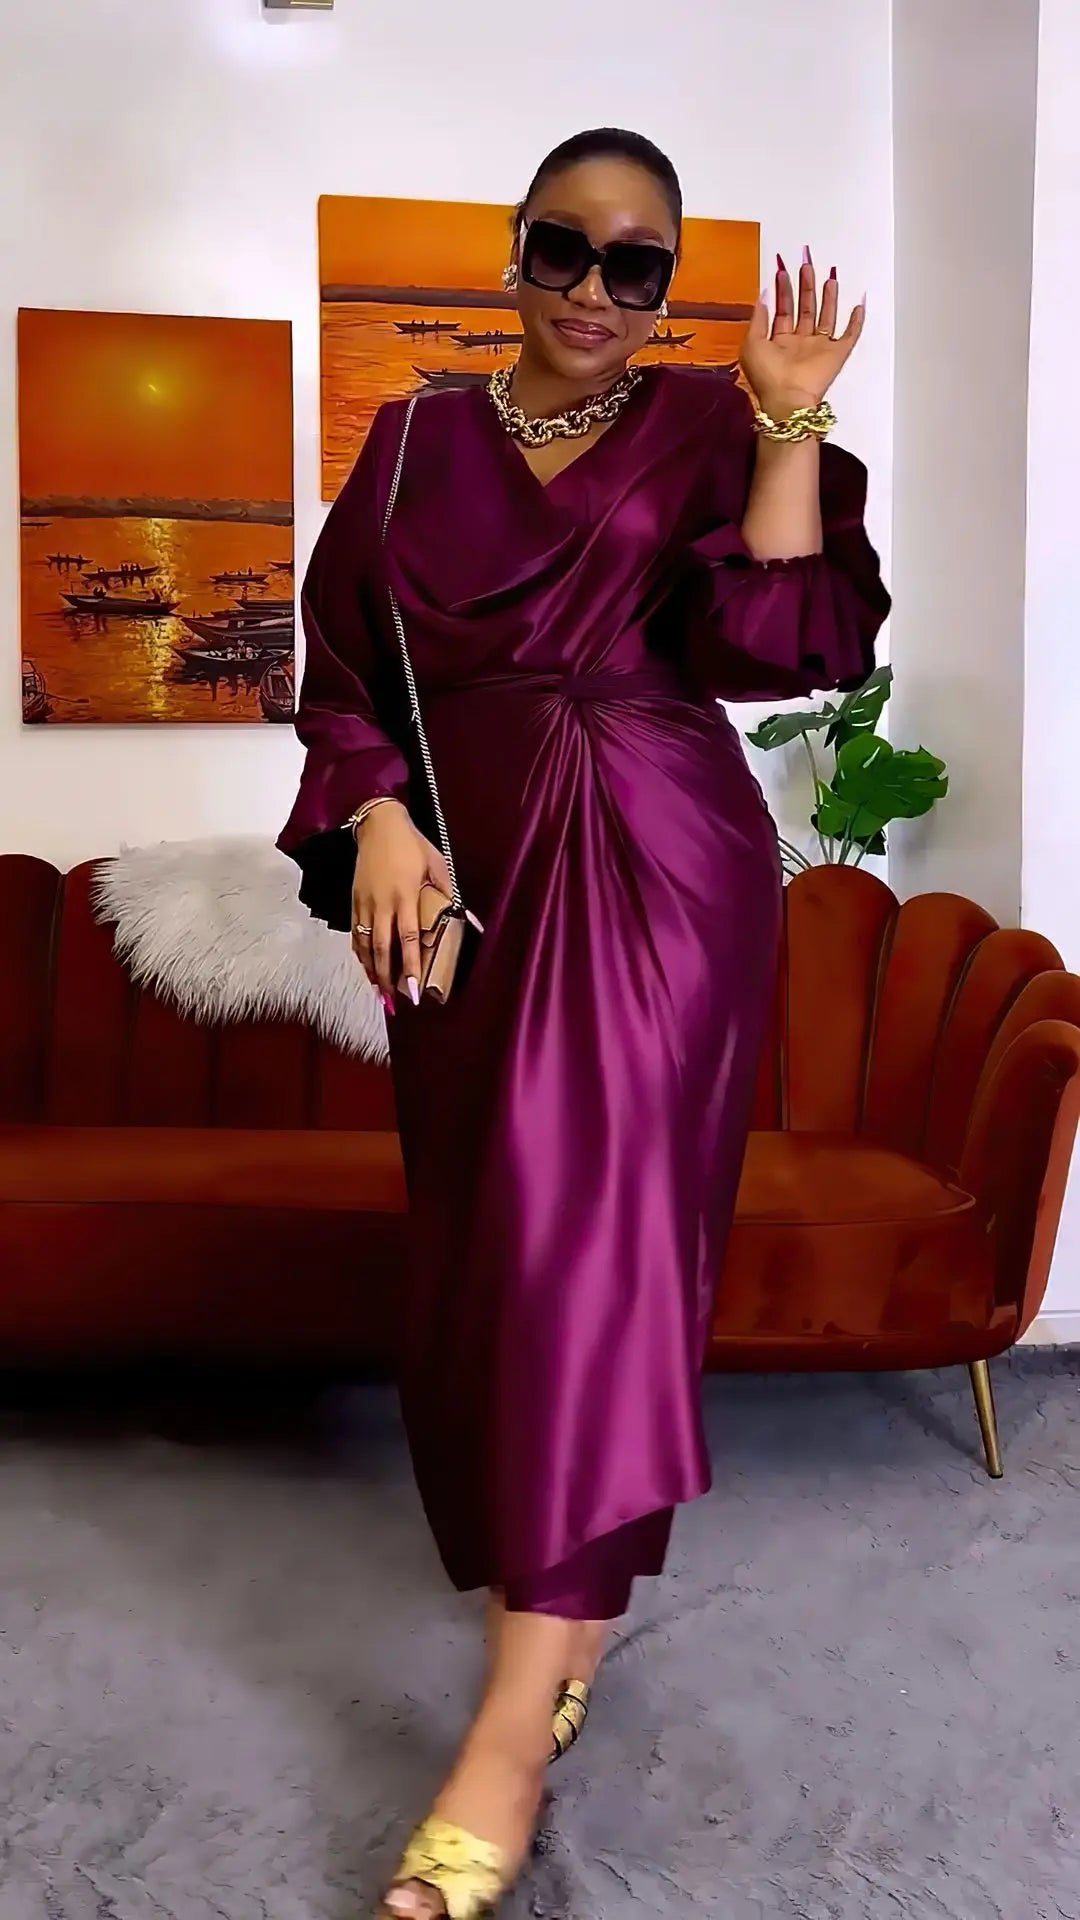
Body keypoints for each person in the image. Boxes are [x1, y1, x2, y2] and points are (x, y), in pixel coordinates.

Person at [279, 127, 889, 1919]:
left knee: (597, 1248)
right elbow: (345, 671)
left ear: (669, 288)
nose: (599, 292)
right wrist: (376, 812)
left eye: (641, 267)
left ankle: (504, 1733)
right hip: (463, 894)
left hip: (658, 864)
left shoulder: (710, 423)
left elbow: (778, 646)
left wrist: (788, 420)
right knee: (491, 1246)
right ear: (515, 253)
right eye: (569, 249)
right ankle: (567, 1610)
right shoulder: (410, 444)